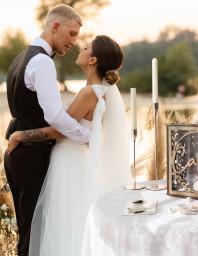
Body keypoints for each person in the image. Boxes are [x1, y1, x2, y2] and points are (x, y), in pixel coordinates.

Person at [7, 35, 130, 256]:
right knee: (72, 220)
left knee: (63, 223)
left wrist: (21, 135)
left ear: (92, 60)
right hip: (76, 159)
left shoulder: (88, 93)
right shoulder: (98, 91)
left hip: (68, 161)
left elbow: (59, 131)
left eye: (85, 48)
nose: (79, 49)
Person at [4, 5, 92, 256]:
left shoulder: (21, 57)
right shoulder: (42, 62)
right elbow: (54, 116)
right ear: (55, 26)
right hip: (31, 155)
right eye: (72, 34)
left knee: (27, 230)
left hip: (17, 152)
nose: (74, 42)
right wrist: (88, 136)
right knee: (34, 232)